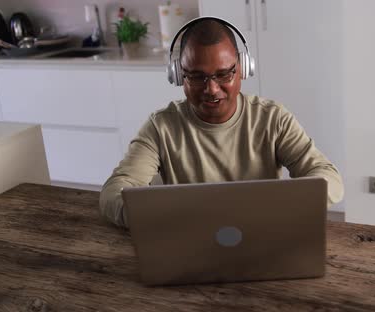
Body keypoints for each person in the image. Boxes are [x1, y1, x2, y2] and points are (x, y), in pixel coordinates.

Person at [99, 18, 344, 228]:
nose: (211, 89)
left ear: (243, 69)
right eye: (196, 77)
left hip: (263, 236)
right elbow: (114, 191)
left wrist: (278, 207)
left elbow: (329, 179)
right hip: (189, 240)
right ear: (178, 76)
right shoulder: (161, 127)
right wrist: (165, 217)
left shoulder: (273, 118)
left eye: (224, 74)